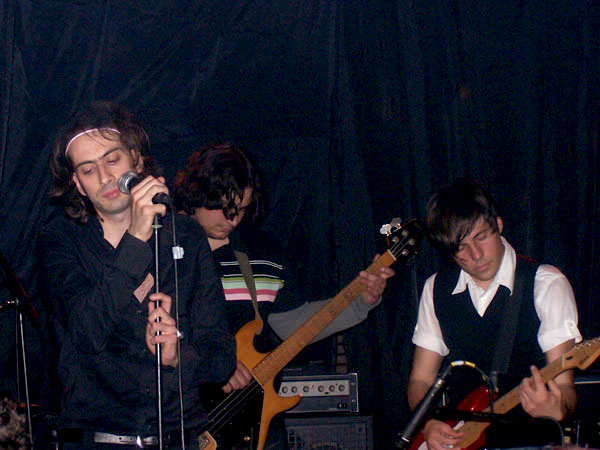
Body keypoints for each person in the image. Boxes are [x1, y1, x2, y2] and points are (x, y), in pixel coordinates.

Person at [37, 101, 236, 448]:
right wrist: (135, 240)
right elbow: (86, 332)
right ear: (78, 184)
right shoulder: (61, 241)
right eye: (88, 170)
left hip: (177, 437)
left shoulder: (186, 236)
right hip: (99, 440)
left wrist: (179, 356)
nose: (104, 177)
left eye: (112, 160)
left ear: (136, 159)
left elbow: (222, 358)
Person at [172, 143, 394, 447]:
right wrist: (213, 365)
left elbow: (294, 323)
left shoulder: (263, 252)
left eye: (241, 209)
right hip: (180, 413)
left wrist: (361, 302)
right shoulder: (161, 246)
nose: (232, 220)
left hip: (249, 414)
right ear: (197, 195)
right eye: (223, 208)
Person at [406, 178, 582, 450]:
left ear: (498, 225)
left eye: (481, 237)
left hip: (529, 442)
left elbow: (566, 389)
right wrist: (427, 422)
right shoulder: (436, 288)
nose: (476, 254)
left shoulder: (546, 285)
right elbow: (420, 379)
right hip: (462, 440)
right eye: (460, 247)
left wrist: (557, 407)